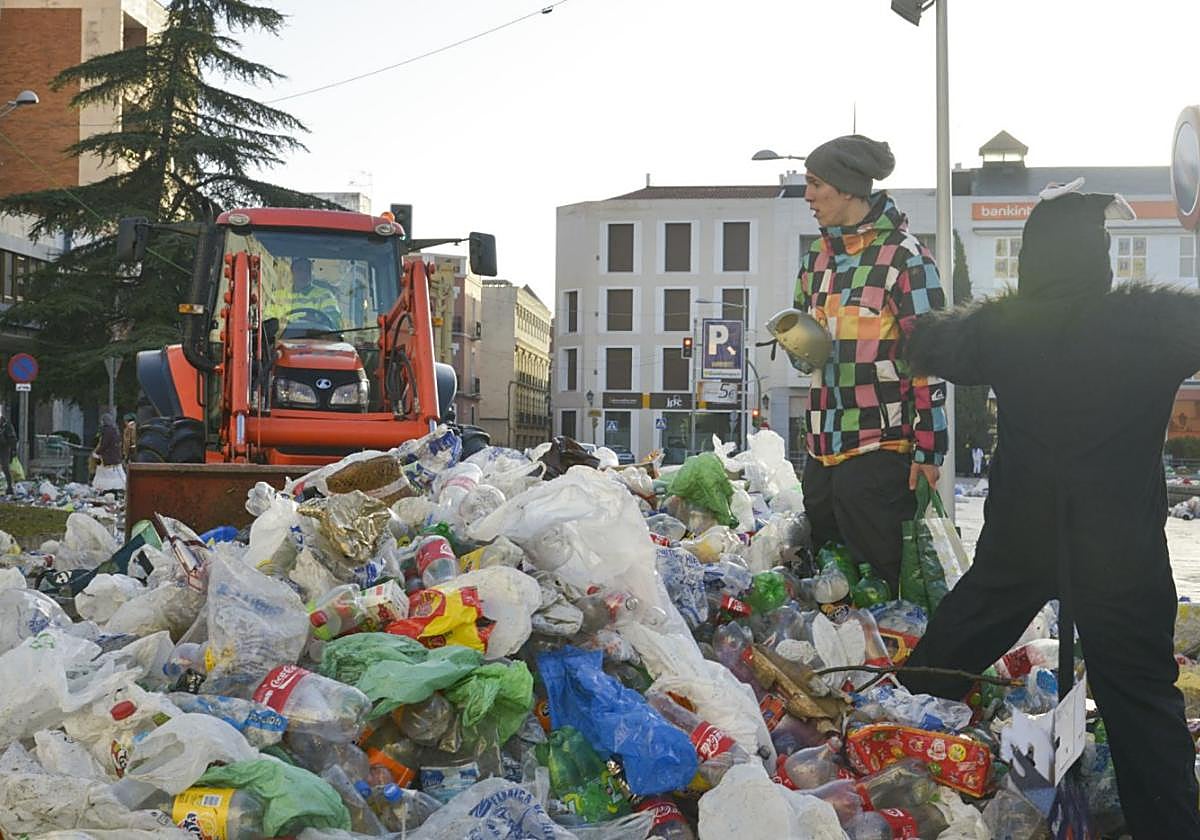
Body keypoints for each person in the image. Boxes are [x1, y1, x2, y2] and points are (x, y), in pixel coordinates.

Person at [899, 183, 1200, 838]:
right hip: (1120, 548)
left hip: (1021, 539)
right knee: (1144, 710)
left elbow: (925, 345)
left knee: (941, 661)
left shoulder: (1006, 328)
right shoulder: (1153, 322)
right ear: (1100, 254)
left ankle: (885, 757)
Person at [794, 134, 948, 592]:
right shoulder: (815, 261)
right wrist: (798, 344)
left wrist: (929, 449)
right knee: (829, 584)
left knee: (882, 579)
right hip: (821, 448)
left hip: (880, 449)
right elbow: (809, 360)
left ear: (846, 188)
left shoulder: (906, 258)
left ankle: (892, 656)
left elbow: (929, 358)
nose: (807, 196)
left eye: (815, 183)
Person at [268, 257, 341, 330]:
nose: (304, 273)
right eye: (300, 269)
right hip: (282, 339)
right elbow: (267, 323)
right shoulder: (278, 297)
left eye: (307, 270)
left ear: (311, 272)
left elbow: (334, 323)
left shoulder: (325, 296)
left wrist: (317, 320)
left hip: (315, 338)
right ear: (292, 272)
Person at [92, 413, 126, 492]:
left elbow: (104, 444)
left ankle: (104, 489)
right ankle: (117, 490)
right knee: (116, 475)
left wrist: (97, 452)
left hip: (107, 457)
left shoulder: (106, 431)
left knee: (103, 474)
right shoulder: (115, 430)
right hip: (115, 457)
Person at [0, 409, 15, 495]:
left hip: (4, 448)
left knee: (5, 467)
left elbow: (12, 438)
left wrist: (13, 450)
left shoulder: (6, 425)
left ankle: (9, 487)